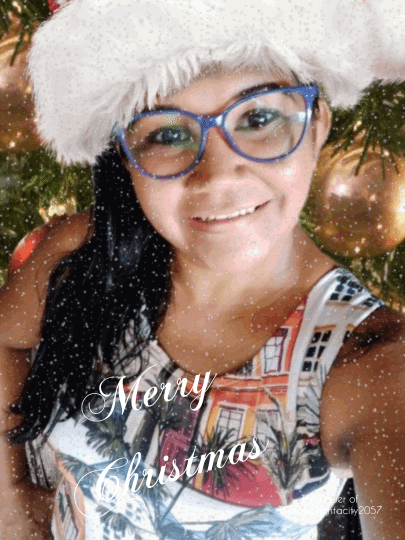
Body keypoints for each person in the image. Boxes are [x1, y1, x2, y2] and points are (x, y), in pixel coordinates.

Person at [1, 0, 405, 539]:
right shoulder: (79, 255)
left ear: (316, 128)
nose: (216, 175)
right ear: (126, 155)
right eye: (168, 134)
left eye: (258, 118)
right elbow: (7, 344)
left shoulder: (374, 368)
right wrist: (12, 498)